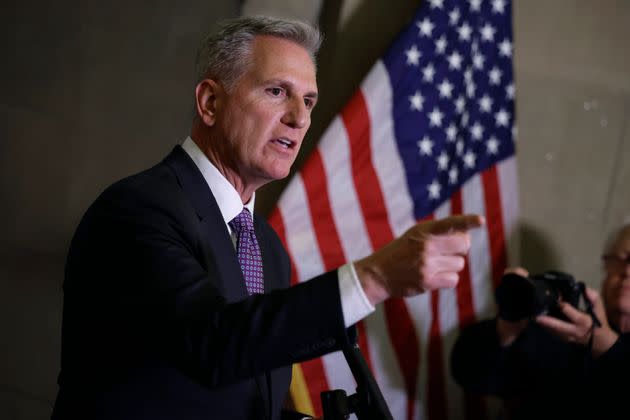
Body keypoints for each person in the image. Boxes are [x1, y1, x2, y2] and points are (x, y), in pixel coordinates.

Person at [51, 15, 484, 420]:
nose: (299, 118)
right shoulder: (139, 210)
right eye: (277, 91)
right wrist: (373, 278)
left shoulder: (266, 246)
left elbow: (239, 392)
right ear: (210, 102)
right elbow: (212, 344)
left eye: (309, 100)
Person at [450, 224, 630, 420]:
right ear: (606, 264)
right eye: (621, 259)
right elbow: (469, 374)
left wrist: (604, 345)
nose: (627, 271)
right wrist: (507, 327)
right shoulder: (565, 332)